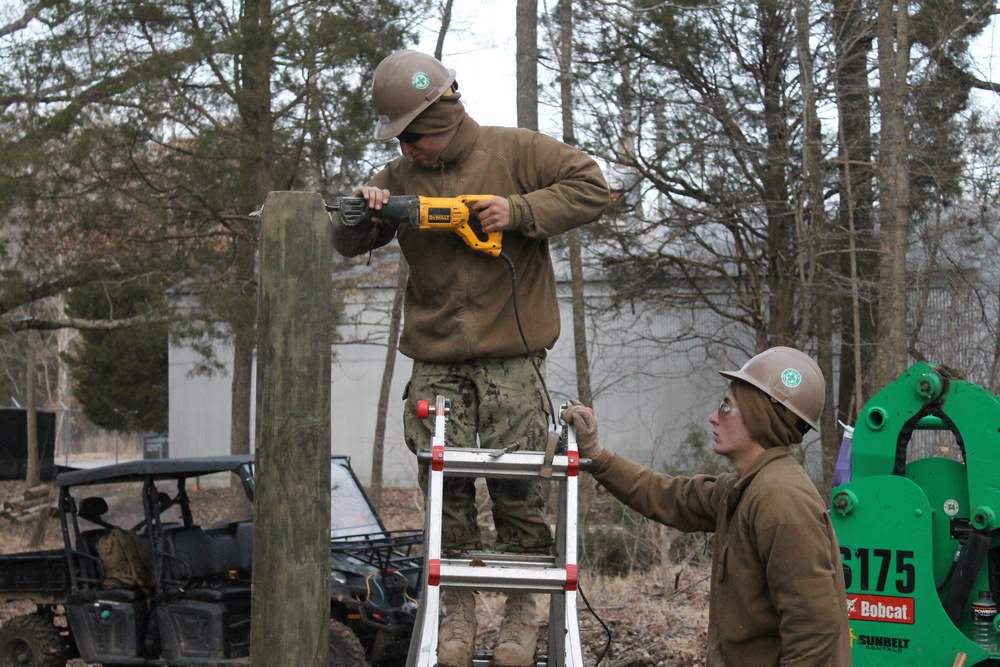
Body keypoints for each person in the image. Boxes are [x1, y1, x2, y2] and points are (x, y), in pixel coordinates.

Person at [331, 50, 609, 667]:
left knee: (517, 487)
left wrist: (521, 212)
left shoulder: (517, 152)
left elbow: (594, 187)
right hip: (435, 357)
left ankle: (520, 609)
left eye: (416, 137)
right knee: (445, 489)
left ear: (447, 112)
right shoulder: (399, 177)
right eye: (398, 140)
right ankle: (454, 607)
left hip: (512, 353)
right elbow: (348, 241)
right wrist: (360, 208)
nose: (408, 150)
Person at [561, 347, 850, 666]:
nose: (714, 416)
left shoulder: (782, 500)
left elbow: (814, 631)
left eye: (727, 406)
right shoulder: (747, 487)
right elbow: (668, 496)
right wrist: (597, 456)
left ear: (759, 418)